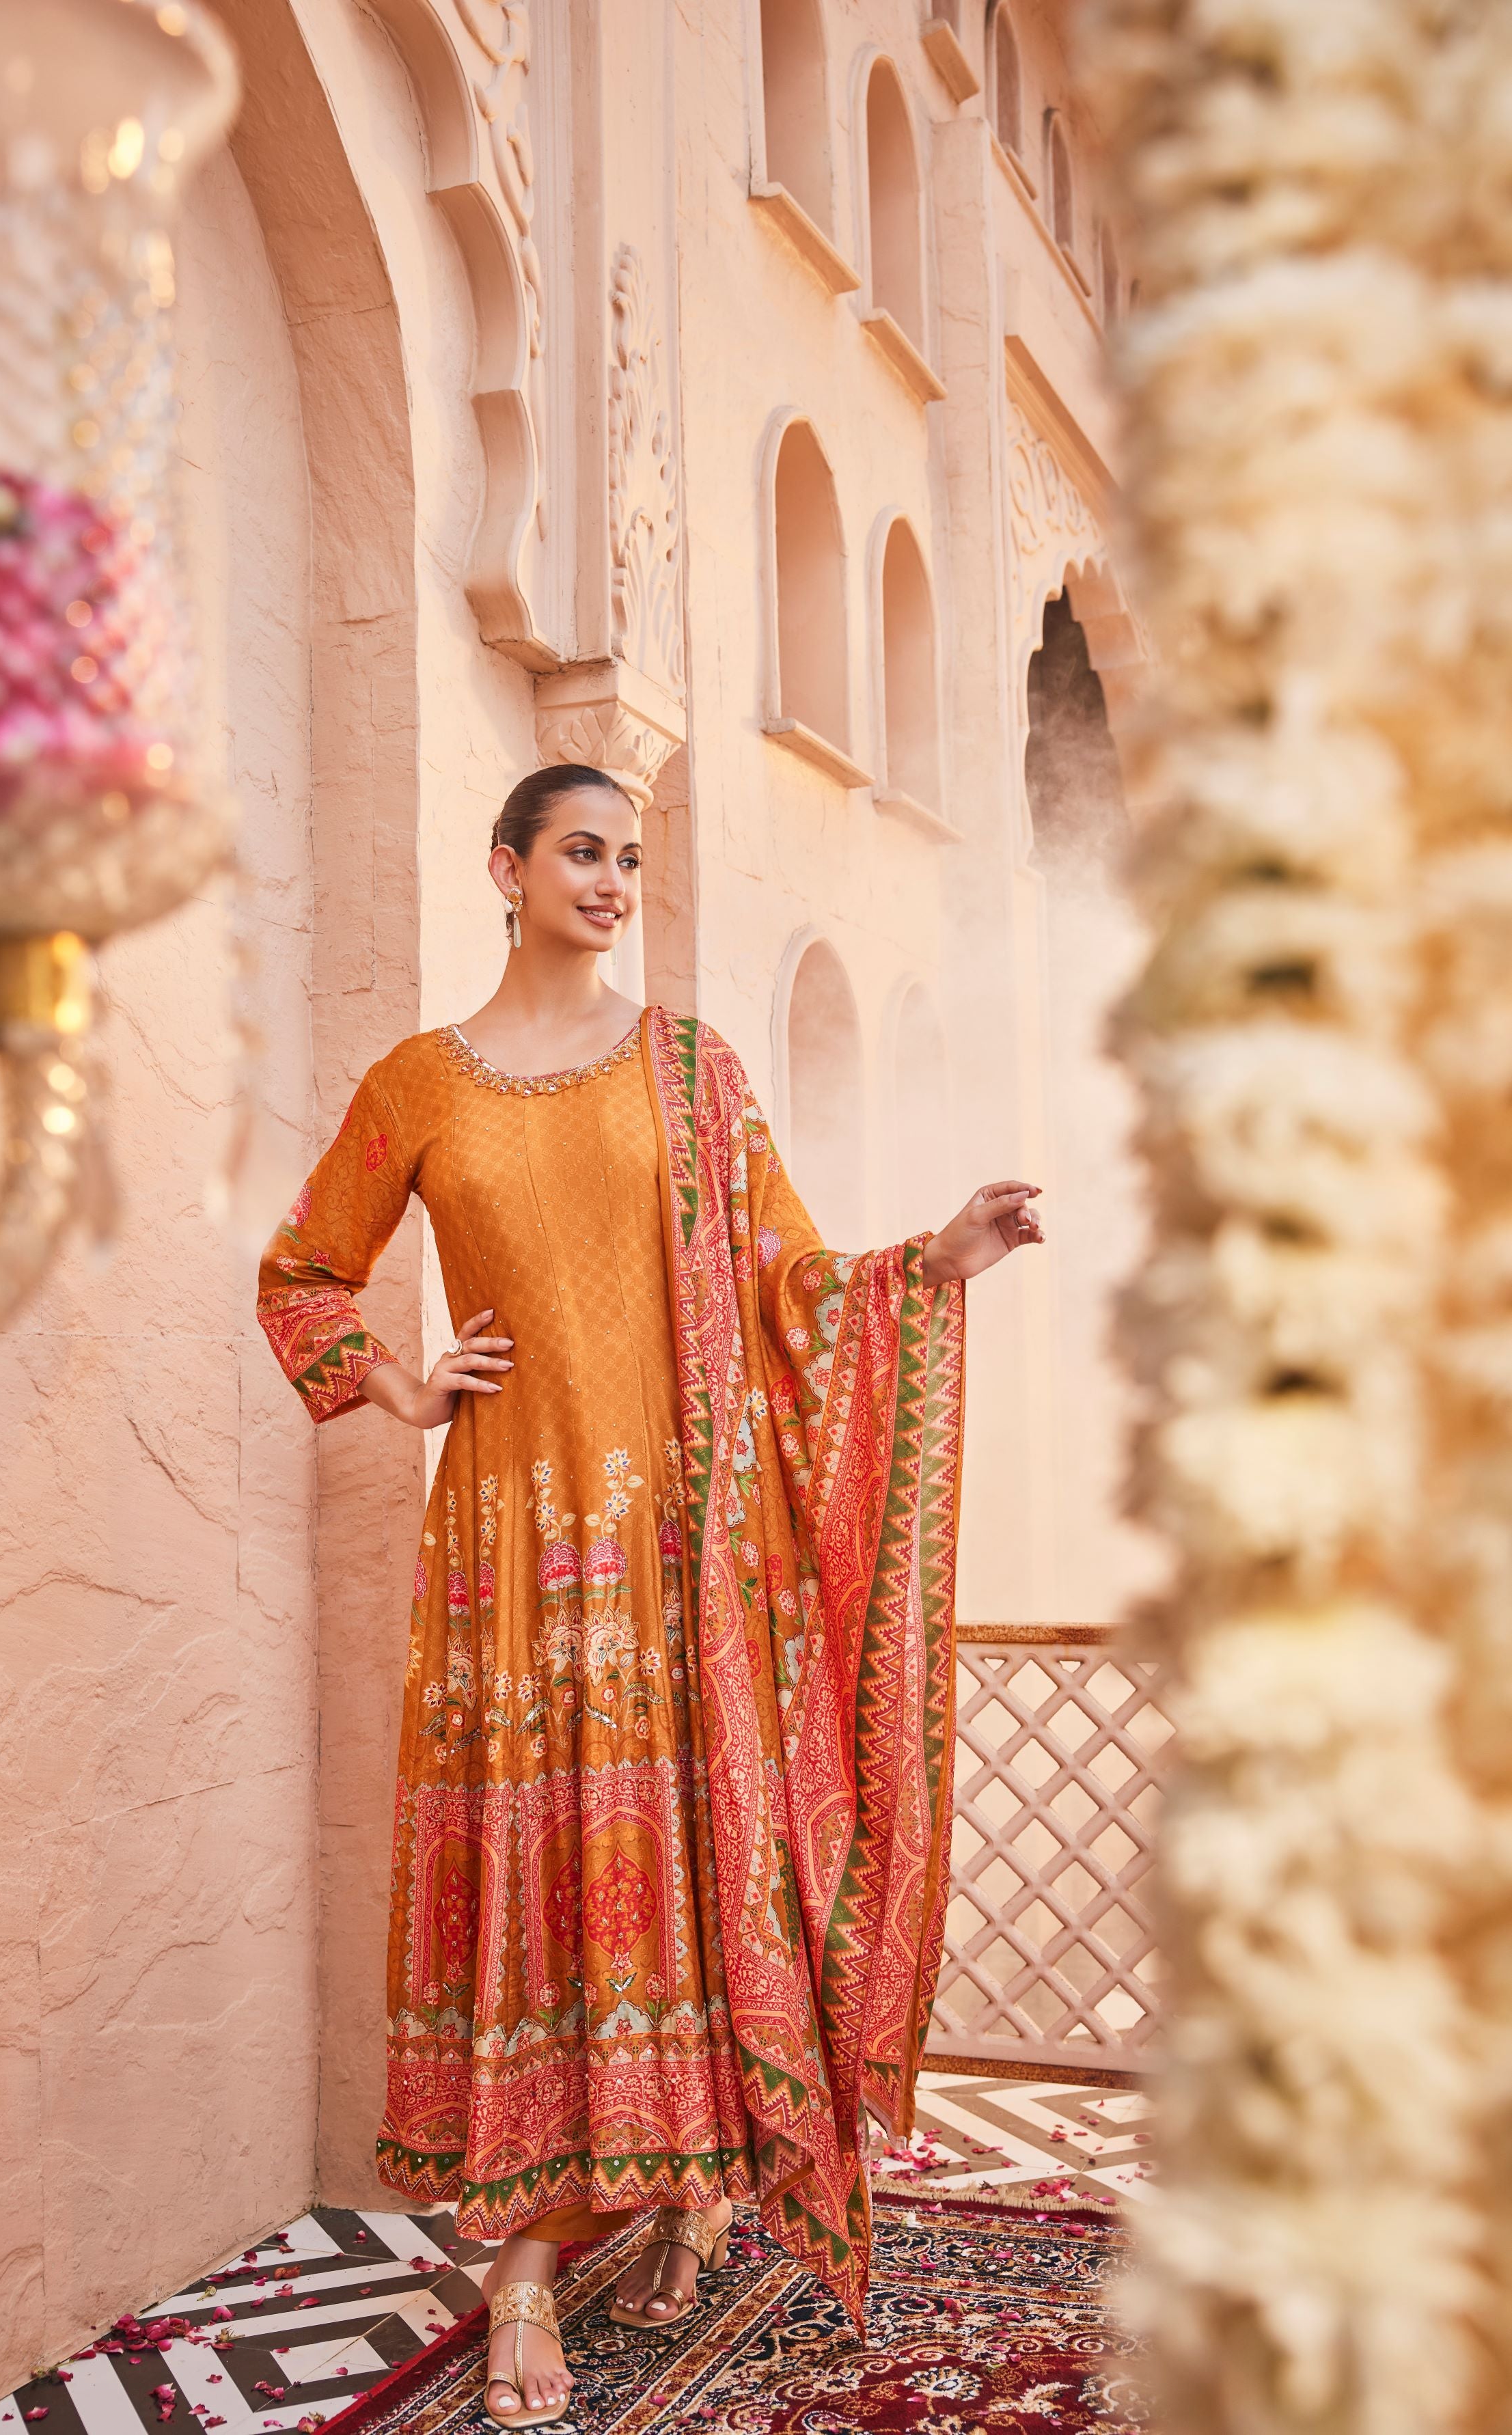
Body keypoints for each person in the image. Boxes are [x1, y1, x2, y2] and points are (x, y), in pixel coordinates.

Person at [257, 764, 1043, 2426]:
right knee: (549, 1901)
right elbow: (303, 1271)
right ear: (507, 869)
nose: (616, 881)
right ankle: (524, 2272)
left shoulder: (693, 1070)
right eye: (585, 854)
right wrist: (394, 1385)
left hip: (693, 1558)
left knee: (687, 1887)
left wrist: (934, 1264)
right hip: (512, 1566)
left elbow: (788, 1293)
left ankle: (685, 2178)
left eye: (632, 858)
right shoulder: (416, 1087)